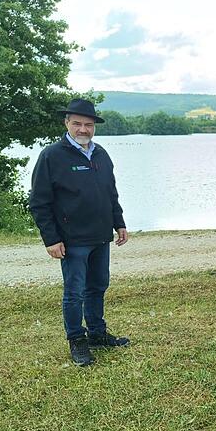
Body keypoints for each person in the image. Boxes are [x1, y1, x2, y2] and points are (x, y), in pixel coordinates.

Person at [29, 98, 130, 367]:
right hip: (72, 241)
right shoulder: (52, 156)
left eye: (88, 124)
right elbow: (39, 202)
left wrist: (118, 223)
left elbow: (110, 193)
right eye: (77, 124)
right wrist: (51, 239)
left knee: (98, 286)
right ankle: (77, 340)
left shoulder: (101, 155)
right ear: (67, 123)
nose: (83, 129)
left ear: (94, 126)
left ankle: (97, 333)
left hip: (100, 236)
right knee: (74, 292)